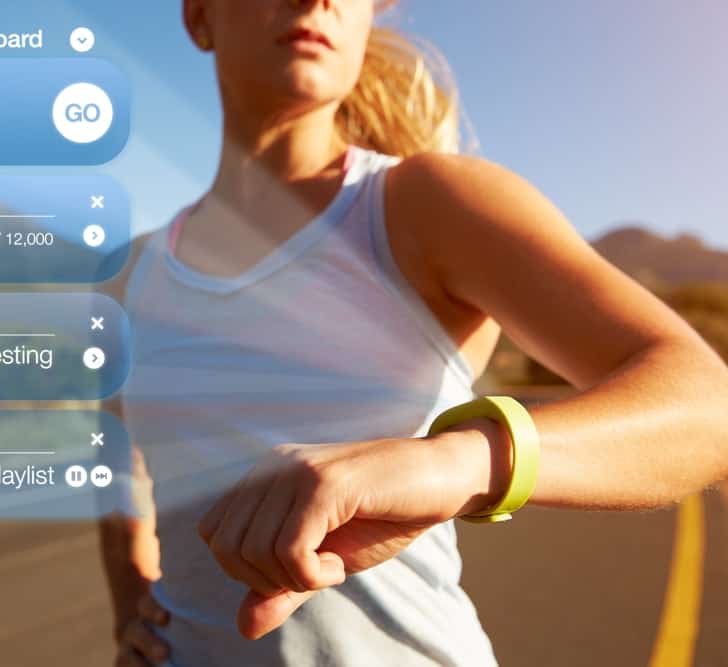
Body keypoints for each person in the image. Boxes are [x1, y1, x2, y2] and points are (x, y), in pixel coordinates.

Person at [98, 1, 728, 665]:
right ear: (200, 18)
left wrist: (454, 462)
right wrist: (129, 602)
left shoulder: (423, 206)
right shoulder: (129, 276)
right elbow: (117, 461)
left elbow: (707, 405)